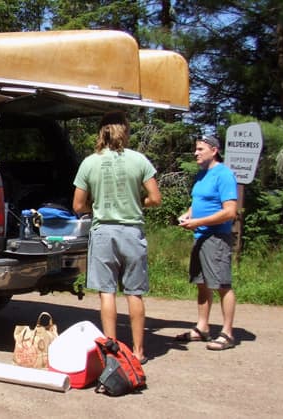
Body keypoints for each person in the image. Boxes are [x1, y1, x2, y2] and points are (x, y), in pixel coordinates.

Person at [72, 111, 161, 364]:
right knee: (134, 293)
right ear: (126, 131)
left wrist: (98, 205)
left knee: (107, 292)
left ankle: (111, 349)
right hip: (132, 232)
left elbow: (78, 205)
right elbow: (155, 198)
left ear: (101, 132)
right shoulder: (140, 160)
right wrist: (136, 202)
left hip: (103, 233)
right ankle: (138, 351)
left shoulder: (89, 162)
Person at [176, 134, 238, 351]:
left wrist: (198, 221)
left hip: (217, 238)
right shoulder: (202, 175)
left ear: (214, 150)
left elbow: (230, 212)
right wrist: (188, 215)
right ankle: (202, 328)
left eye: (200, 149)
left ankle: (227, 333)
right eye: (196, 149)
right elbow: (199, 203)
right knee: (201, 284)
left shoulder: (224, 175)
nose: (196, 153)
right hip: (199, 237)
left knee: (221, 284)